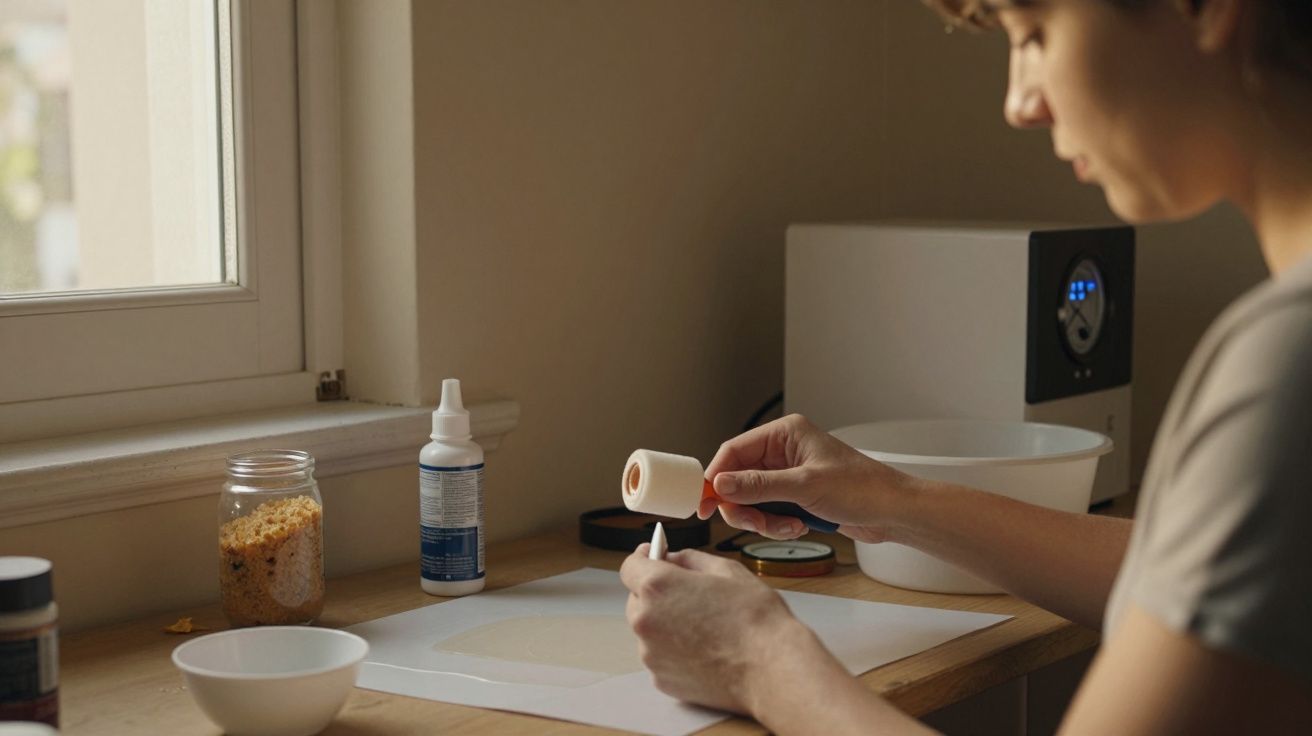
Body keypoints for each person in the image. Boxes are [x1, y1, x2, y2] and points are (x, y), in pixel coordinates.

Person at [619, 0, 1312, 732]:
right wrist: (894, 500)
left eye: (1036, 34)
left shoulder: (1287, 364)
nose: (1020, 103)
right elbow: (1202, 573)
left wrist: (756, 659)